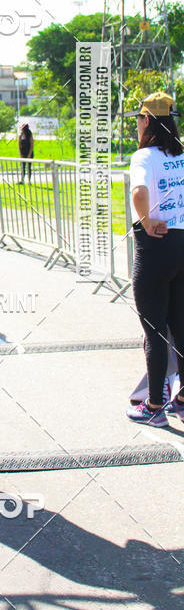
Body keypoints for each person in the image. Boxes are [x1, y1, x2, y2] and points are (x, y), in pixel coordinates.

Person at [125, 92, 184, 427]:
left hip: (156, 247)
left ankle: (155, 406)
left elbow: (139, 191)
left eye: (138, 119)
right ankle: (183, 400)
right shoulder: (181, 153)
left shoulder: (144, 157)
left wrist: (146, 220)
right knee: (181, 325)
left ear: (147, 120)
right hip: (182, 243)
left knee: (155, 331)